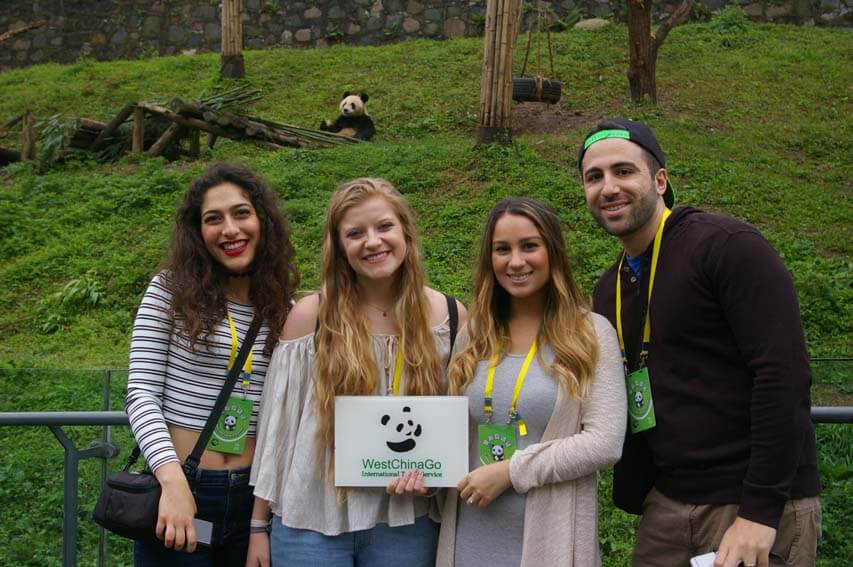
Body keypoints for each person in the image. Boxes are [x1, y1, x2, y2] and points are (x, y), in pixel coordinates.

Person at [577, 118, 821, 567]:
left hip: (753, 506)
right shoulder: (610, 287)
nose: (608, 187)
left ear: (659, 179)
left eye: (623, 171)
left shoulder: (727, 248)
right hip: (667, 507)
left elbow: (782, 376)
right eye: (594, 177)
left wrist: (760, 511)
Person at [247, 178, 466, 567]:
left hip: (406, 522)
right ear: (339, 246)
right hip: (311, 521)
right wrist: (257, 526)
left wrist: (436, 481)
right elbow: (277, 429)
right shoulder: (310, 317)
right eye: (355, 233)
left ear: (405, 232)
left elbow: (464, 421)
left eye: (384, 227)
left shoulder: (449, 317)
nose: (373, 242)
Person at [435, 197, 626, 567]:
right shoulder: (474, 333)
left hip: (548, 541)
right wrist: (424, 473)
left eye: (529, 246)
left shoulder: (589, 333)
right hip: (469, 538)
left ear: (552, 251)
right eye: (502, 249)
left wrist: (511, 471)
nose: (516, 261)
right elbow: (452, 432)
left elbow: (604, 443)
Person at [125, 163, 299, 566]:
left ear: (262, 221)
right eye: (213, 219)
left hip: (253, 502)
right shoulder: (170, 290)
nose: (230, 229)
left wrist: (261, 518)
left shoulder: (282, 308)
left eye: (241, 213)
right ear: (198, 233)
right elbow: (141, 394)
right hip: (185, 489)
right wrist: (171, 481)